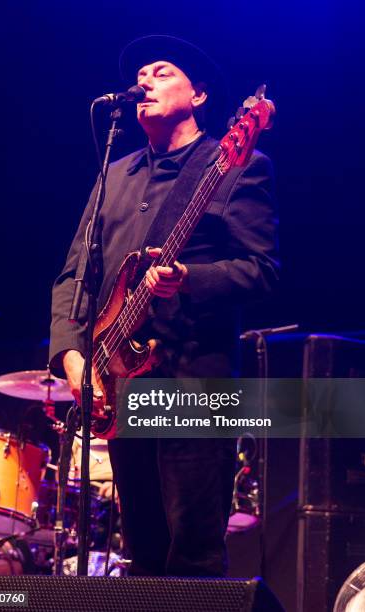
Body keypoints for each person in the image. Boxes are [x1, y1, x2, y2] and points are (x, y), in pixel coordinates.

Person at [49, 35, 279, 576]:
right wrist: (72, 356)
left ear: (199, 95)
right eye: (141, 74)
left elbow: (262, 270)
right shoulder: (115, 172)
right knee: (144, 552)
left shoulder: (236, 165)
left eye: (161, 72)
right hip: (121, 381)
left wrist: (189, 278)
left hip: (195, 381)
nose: (144, 81)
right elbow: (73, 276)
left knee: (193, 553)